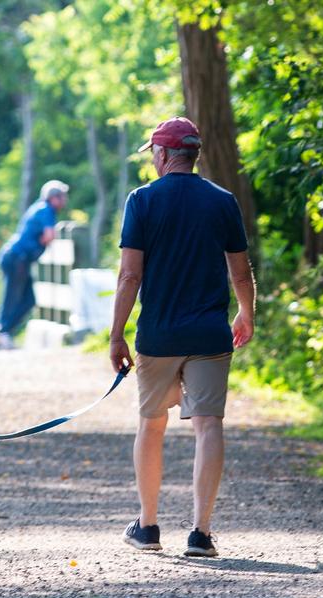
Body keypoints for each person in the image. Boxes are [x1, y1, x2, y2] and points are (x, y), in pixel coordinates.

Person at [109, 116, 255, 558]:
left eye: (153, 153)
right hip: (211, 333)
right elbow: (240, 270)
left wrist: (117, 335)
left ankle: (148, 525)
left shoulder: (142, 201)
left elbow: (130, 274)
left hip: (158, 335)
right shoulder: (222, 201)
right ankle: (200, 532)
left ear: (164, 154)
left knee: (152, 425)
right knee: (209, 425)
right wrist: (246, 313)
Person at [0, 180, 69, 350]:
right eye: (63, 197)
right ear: (54, 198)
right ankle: (3, 331)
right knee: (13, 296)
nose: (65, 201)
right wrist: (44, 240)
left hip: (16, 257)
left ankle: (4, 330)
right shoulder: (47, 209)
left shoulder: (39, 207)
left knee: (28, 299)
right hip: (18, 257)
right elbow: (49, 235)